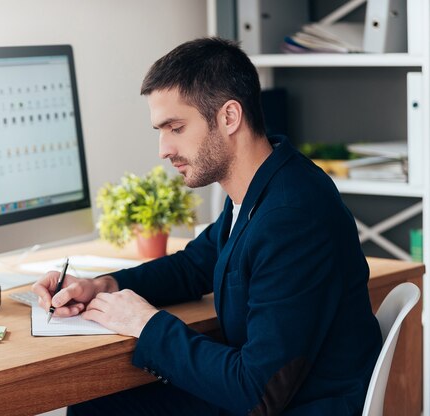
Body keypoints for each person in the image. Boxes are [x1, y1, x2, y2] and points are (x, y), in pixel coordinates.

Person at [32, 37, 382, 415]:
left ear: (229, 117)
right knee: (98, 405)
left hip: (297, 406)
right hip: (273, 395)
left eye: (176, 128)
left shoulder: (291, 216)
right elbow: (193, 265)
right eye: (160, 131)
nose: (163, 149)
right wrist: (104, 286)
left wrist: (147, 324)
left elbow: (258, 393)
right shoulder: (262, 186)